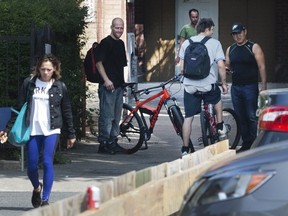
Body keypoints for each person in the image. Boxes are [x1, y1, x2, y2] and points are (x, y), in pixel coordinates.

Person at [19, 54, 76, 207]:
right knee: (31, 166)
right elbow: (20, 108)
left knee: (46, 161)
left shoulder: (60, 86)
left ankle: (45, 199)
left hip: (52, 129)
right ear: (38, 69)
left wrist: (71, 134)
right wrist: (7, 128)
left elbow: (67, 110)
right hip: (33, 129)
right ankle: (37, 187)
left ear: (55, 69)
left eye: (49, 70)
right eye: (43, 69)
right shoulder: (29, 84)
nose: (45, 72)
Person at [178, 18, 228, 156]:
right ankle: (219, 125)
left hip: (189, 87)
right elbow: (221, 66)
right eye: (212, 29)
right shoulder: (215, 43)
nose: (212, 32)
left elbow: (182, 67)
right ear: (207, 29)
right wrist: (223, 83)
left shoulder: (187, 43)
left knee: (188, 118)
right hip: (207, 85)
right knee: (217, 99)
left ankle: (185, 149)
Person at [225, 23, 267, 152]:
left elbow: (262, 67)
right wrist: (226, 71)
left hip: (250, 87)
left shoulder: (253, 47)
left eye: (239, 33)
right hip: (236, 87)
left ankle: (255, 144)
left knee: (251, 116)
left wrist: (264, 85)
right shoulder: (230, 49)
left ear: (245, 32)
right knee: (240, 116)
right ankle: (246, 143)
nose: (237, 36)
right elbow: (227, 65)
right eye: (234, 34)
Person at [95, 17, 127, 154]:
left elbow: (120, 66)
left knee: (116, 116)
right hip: (108, 86)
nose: (119, 30)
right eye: (117, 27)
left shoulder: (121, 44)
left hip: (118, 86)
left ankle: (113, 142)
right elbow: (98, 63)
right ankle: (103, 143)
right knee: (107, 116)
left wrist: (123, 84)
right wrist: (106, 80)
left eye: (121, 28)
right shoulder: (105, 43)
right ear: (111, 27)